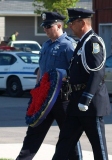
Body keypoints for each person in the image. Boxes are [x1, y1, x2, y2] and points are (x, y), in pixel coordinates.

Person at [16, 11, 82, 160]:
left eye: (48, 26)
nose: (45, 29)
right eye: (43, 26)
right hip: (44, 98)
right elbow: (41, 69)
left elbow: (77, 71)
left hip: (62, 98)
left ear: (59, 25)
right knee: (33, 133)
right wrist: (36, 90)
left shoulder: (69, 45)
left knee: (68, 135)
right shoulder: (45, 45)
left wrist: (63, 76)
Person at [52, 8, 111, 160]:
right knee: (64, 144)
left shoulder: (93, 42)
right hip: (75, 102)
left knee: (98, 147)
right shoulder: (82, 42)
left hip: (90, 104)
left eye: (72, 22)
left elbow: (97, 72)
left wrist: (86, 98)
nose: (69, 26)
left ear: (82, 23)